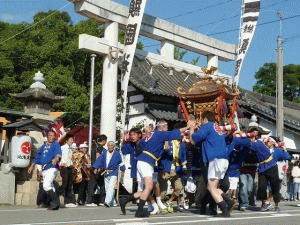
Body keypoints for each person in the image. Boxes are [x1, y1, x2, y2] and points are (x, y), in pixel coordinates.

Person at [119, 122, 191, 217]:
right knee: (149, 187)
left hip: (145, 161)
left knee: (148, 188)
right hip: (146, 161)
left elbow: (142, 144)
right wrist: (187, 127)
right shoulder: (159, 134)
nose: (166, 129)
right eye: (165, 127)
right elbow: (173, 133)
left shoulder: (148, 136)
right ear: (161, 128)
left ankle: (126, 199)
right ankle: (139, 210)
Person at [189, 111, 232, 217]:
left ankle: (225, 209)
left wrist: (191, 129)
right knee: (213, 185)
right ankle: (227, 200)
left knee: (211, 187)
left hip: (214, 159)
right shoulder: (218, 128)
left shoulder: (208, 126)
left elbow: (194, 140)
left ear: (205, 119)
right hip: (224, 159)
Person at [28, 130, 62, 210]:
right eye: (49, 135)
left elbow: (59, 154)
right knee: (50, 186)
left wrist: (56, 159)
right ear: (47, 136)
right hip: (44, 168)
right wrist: (32, 166)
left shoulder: (56, 144)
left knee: (46, 185)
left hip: (52, 167)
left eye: (52, 135)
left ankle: (56, 203)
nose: (51, 137)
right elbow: (37, 158)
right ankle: (52, 203)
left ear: (54, 137)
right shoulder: (43, 147)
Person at [93, 141, 125, 207]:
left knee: (111, 186)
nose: (110, 147)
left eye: (111, 145)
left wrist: (123, 170)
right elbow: (99, 160)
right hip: (106, 172)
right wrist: (96, 168)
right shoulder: (104, 153)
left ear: (113, 147)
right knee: (107, 188)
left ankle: (107, 201)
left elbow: (121, 162)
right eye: (109, 145)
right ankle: (113, 202)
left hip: (114, 172)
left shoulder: (117, 154)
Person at [86, 135, 107, 206]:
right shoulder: (100, 148)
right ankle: (100, 200)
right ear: (104, 140)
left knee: (94, 184)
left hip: (94, 167)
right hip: (97, 169)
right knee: (99, 185)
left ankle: (90, 200)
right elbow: (98, 158)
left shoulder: (94, 147)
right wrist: (97, 168)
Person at [57, 135, 77, 207]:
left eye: (72, 139)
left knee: (69, 184)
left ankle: (68, 201)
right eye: (71, 139)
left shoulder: (71, 149)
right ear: (66, 140)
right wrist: (60, 163)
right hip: (64, 168)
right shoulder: (62, 148)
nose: (72, 141)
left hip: (69, 167)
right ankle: (55, 194)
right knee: (64, 184)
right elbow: (57, 156)